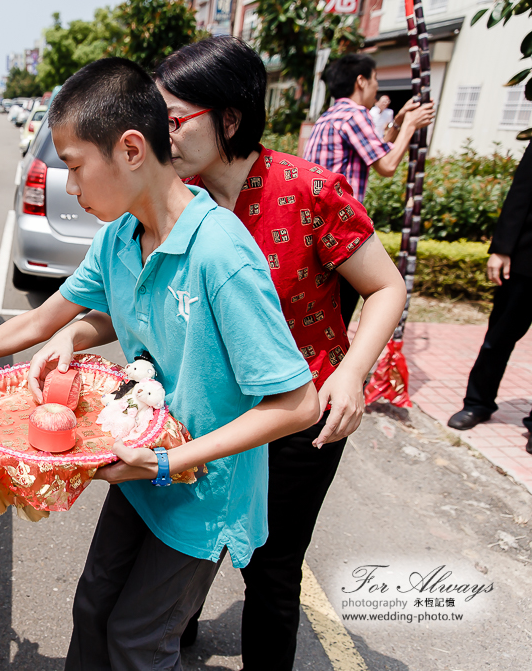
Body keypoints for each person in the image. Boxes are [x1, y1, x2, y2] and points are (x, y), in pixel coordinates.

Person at [0, 57, 320, 670]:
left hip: (201, 482)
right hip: (145, 464)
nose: (70, 186)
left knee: (139, 640)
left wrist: (169, 461)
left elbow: (297, 403)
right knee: (92, 607)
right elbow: (41, 322)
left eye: (74, 165)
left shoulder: (221, 254)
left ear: (132, 149)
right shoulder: (121, 237)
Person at [29, 38, 406, 671]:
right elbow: (141, 297)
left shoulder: (309, 191)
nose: (159, 131)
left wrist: (351, 373)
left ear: (229, 119)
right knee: (159, 591)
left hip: (297, 412)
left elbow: (386, 285)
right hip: (197, 414)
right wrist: (72, 331)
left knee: (272, 574)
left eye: (173, 118)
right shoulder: (173, 195)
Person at [304, 53, 434, 330]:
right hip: (340, 229)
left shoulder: (330, 116)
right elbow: (386, 164)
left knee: (323, 313)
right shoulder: (354, 114)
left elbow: (374, 150)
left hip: (315, 227)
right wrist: (411, 126)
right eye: (375, 79)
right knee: (367, 296)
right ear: (361, 81)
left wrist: (398, 123)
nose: (377, 88)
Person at [448, 142, 532, 452]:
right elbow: (522, 190)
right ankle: (478, 403)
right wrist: (502, 248)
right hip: (526, 259)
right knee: (498, 337)